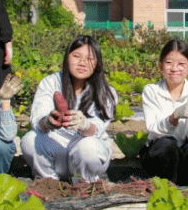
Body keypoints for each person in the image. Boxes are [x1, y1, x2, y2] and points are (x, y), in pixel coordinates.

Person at [20, 35, 117, 182]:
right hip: (57, 150)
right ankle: (49, 183)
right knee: (30, 139)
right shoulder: (51, 83)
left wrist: (85, 125)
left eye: (90, 58)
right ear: (67, 58)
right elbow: (38, 118)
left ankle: (84, 183)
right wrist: (48, 121)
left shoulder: (106, 92)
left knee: (88, 146)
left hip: (85, 154)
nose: (82, 63)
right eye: (76, 56)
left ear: (97, 63)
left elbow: (98, 127)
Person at [141, 39, 188, 186]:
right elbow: (153, 128)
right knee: (167, 144)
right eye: (169, 63)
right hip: (160, 157)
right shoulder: (151, 91)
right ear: (160, 67)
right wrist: (174, 116)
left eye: (181, 64)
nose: (174, 68)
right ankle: (166, 186)